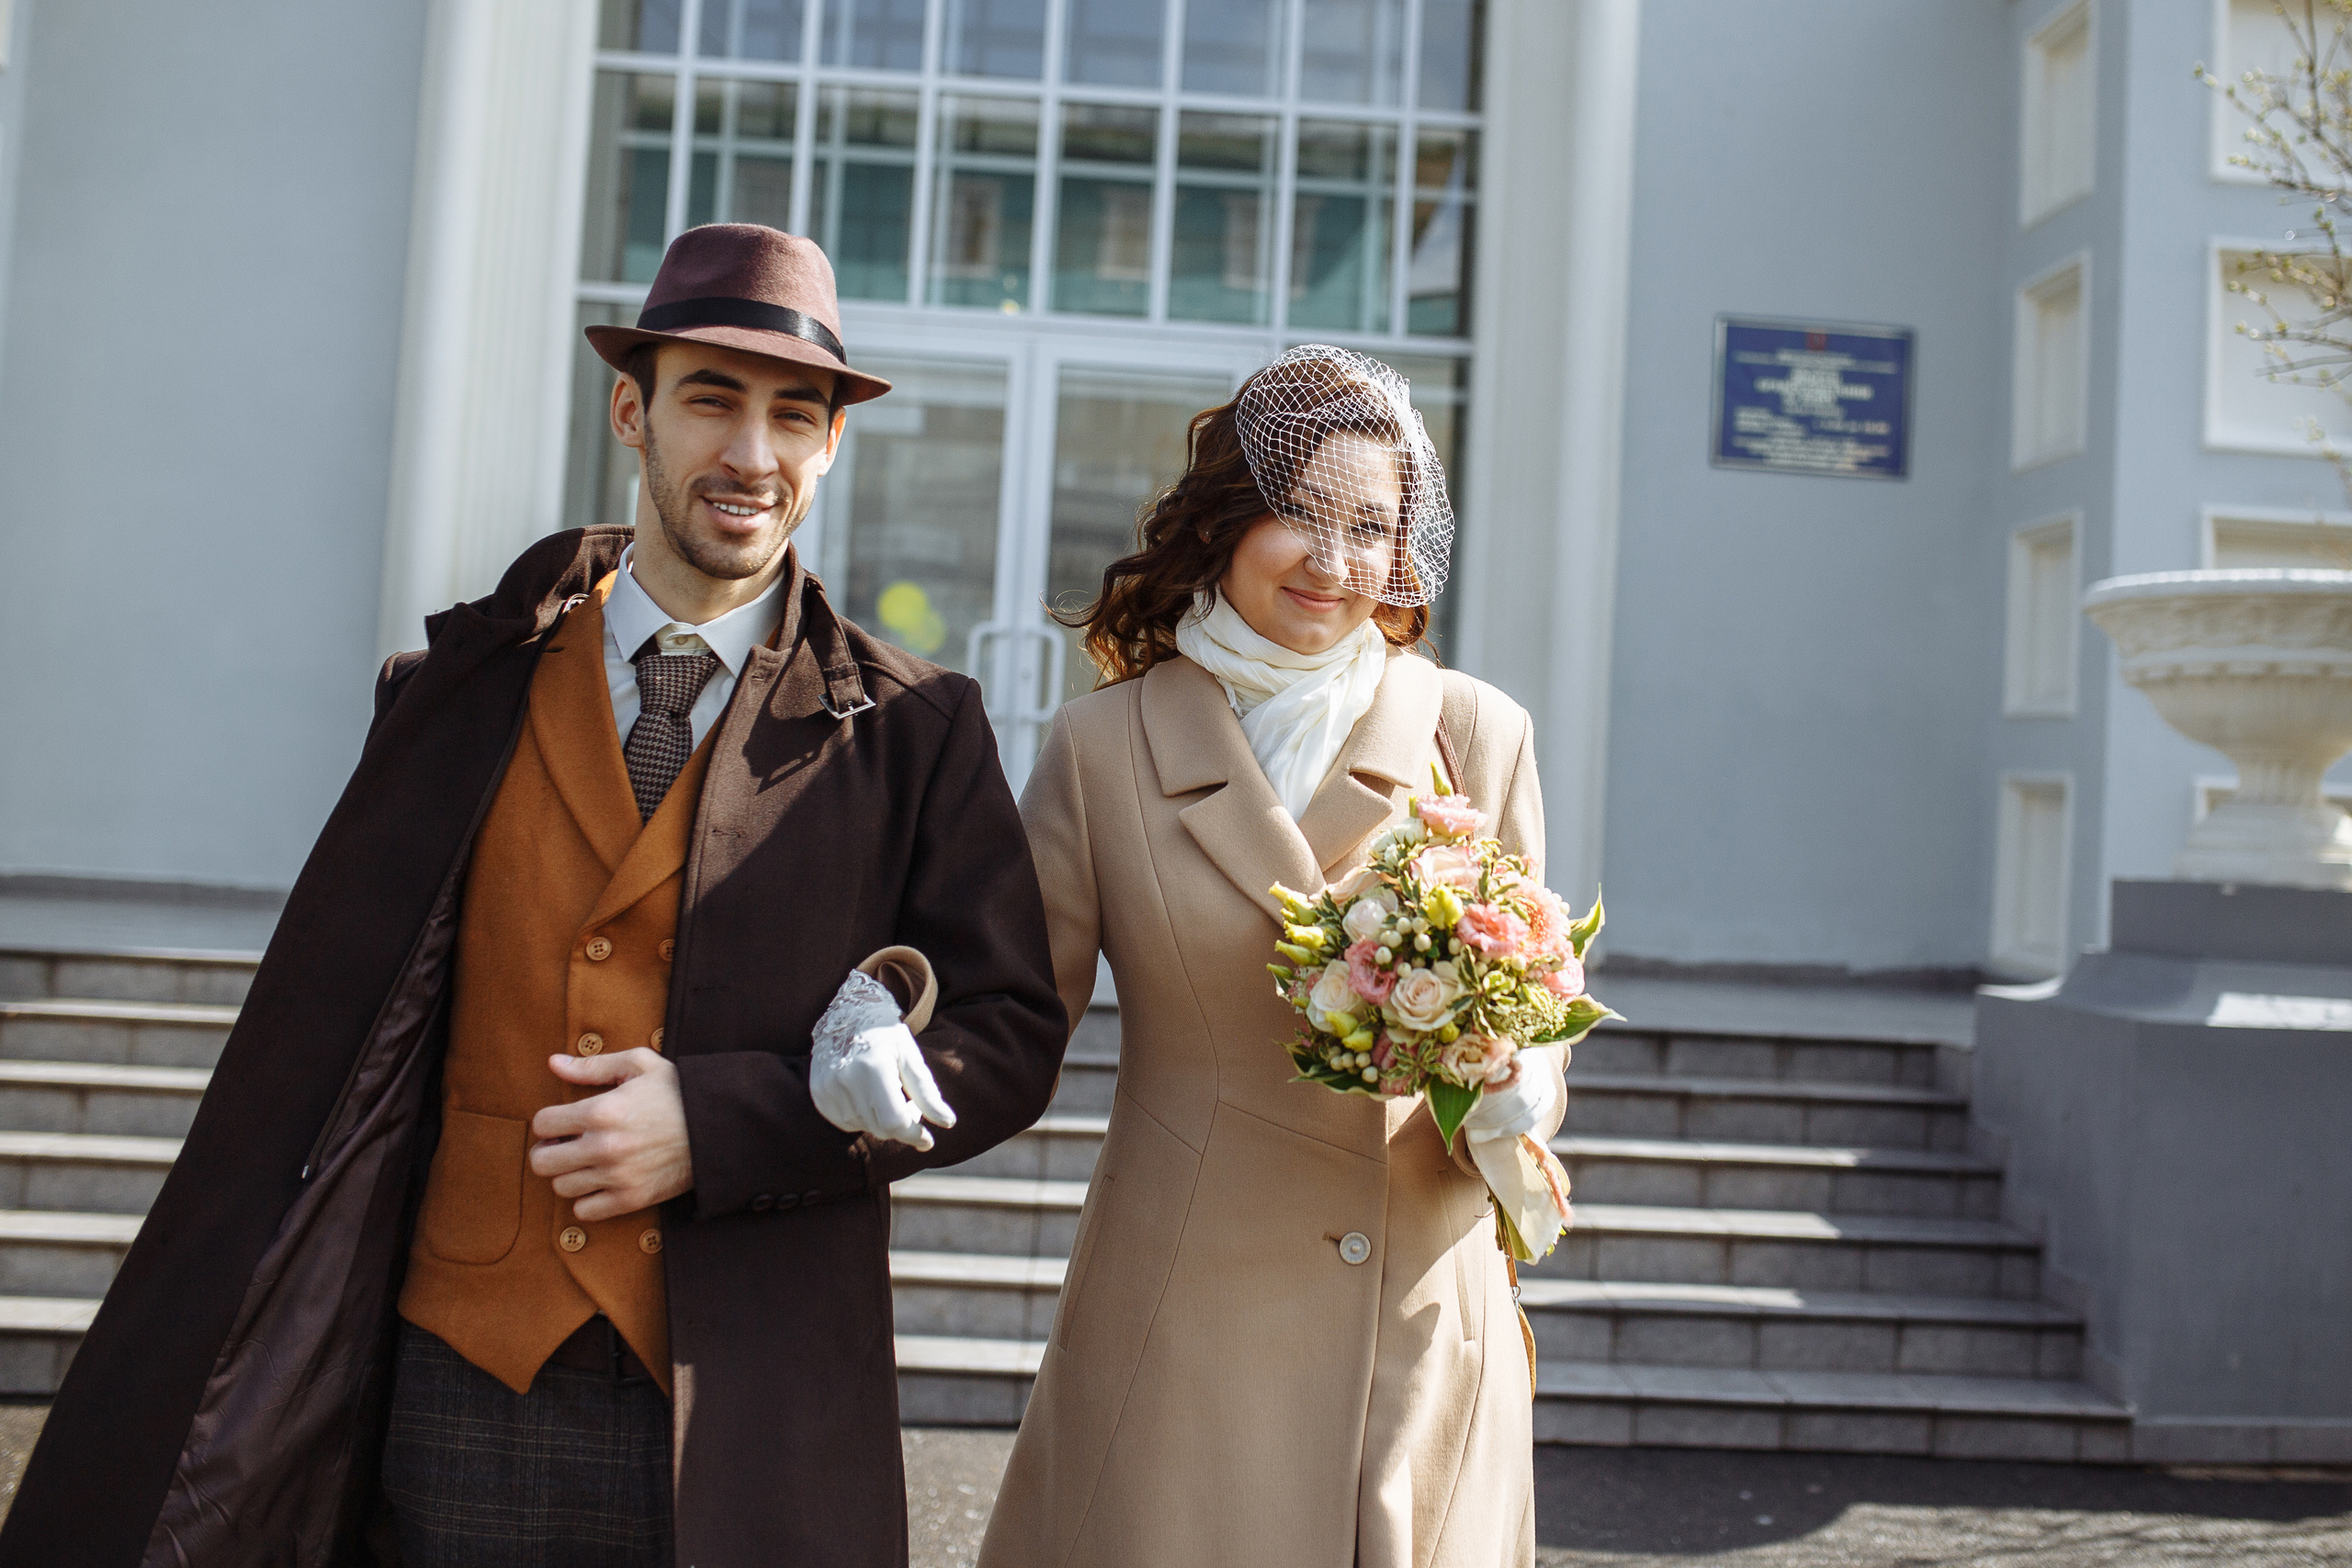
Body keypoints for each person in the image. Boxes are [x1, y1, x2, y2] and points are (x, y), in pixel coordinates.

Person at [0, 224, 1067, 1568]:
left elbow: (1010, 1035)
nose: (753, 454)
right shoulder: (451, 691)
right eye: (710, 400)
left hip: (745, 1401)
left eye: (796, 416)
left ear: (832, 446)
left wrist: (728, 1121)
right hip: (456, 1381)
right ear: (632, 410)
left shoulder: (915, 729)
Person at [978, 346, 1568, 1568]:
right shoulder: (1103, 749)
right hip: (1185, 1314)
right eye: (1302, 515)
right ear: (1224, 523)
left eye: (1371, 528)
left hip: (1417, 1303)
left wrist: (1519, 1087)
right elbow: (1008, 1020)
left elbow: (1534, 1005)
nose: (1337, 562)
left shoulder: (1473, 732)